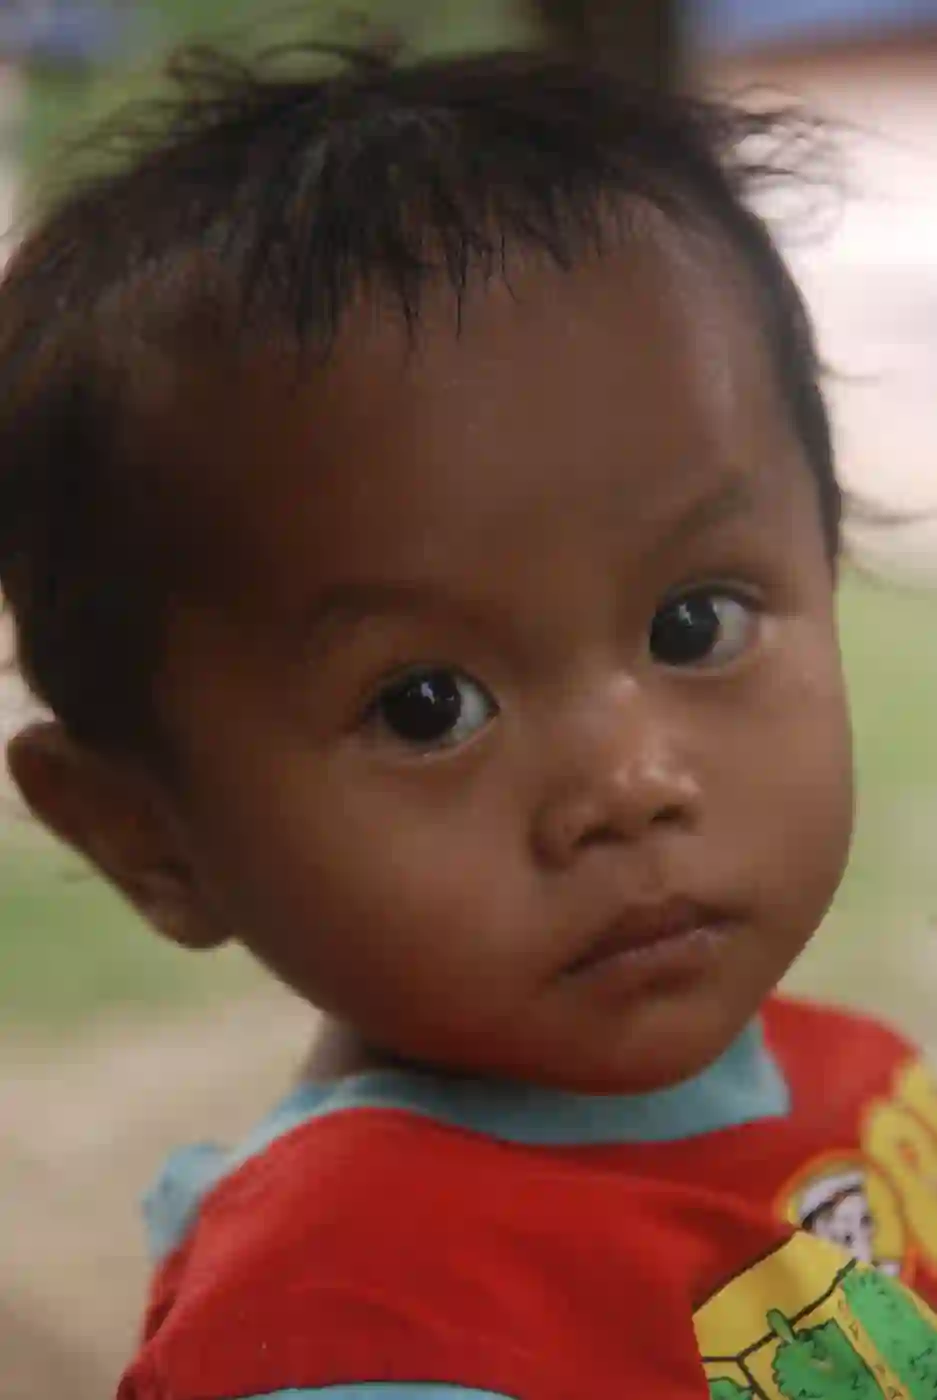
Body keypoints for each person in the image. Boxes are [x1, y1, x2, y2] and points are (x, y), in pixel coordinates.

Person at [2, 44, 936, 1400]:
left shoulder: (849, 1078)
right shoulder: (367, 1331)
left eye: (696, 624)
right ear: (147, 835)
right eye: (426, 706)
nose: (630, 778)